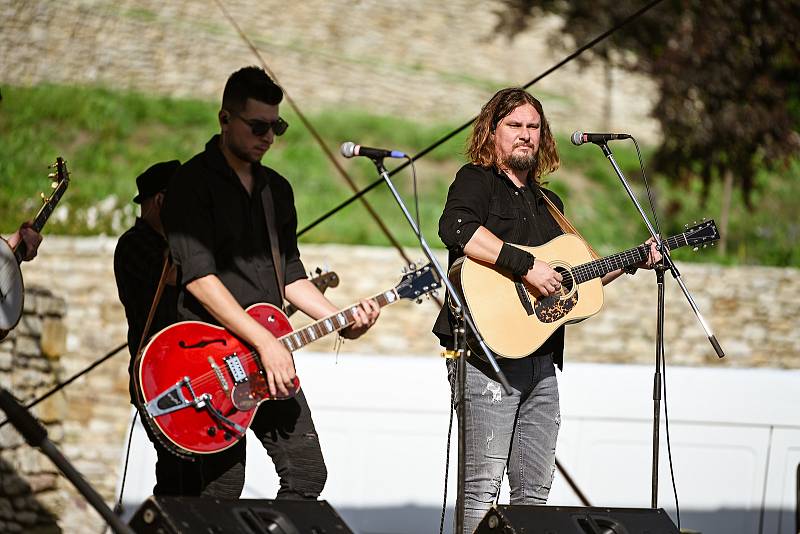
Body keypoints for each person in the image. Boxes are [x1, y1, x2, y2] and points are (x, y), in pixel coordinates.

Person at [433, 87, 661, 533]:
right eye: (514, 126)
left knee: (535, 495)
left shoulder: (551, 206)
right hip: (486, 359)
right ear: (491, 132)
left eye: (533, 127)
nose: (525, 135)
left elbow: (577, 280)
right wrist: (527, 266)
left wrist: (633, 260)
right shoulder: (475, 180)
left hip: (541, 361)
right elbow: (456, 229)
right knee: (481, 489)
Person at [161, 66, 380, 498]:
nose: (268, 137)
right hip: (211, 360)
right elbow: (199, 280)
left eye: (276, 127)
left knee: (305, 474)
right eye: (257, 126)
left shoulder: (275, 190)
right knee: (222, 486)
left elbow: (290, 275)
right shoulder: (191, 184)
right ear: (225, 120)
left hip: (268, 356)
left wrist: (339, 318)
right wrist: (264, 341)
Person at [114, 160, 196, 495]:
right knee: (179, 478)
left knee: (192, 478)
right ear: (163, 201)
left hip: (187, 371)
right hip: (156, 377)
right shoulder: (135, 244)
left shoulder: (180, 247)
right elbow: (179, 277)